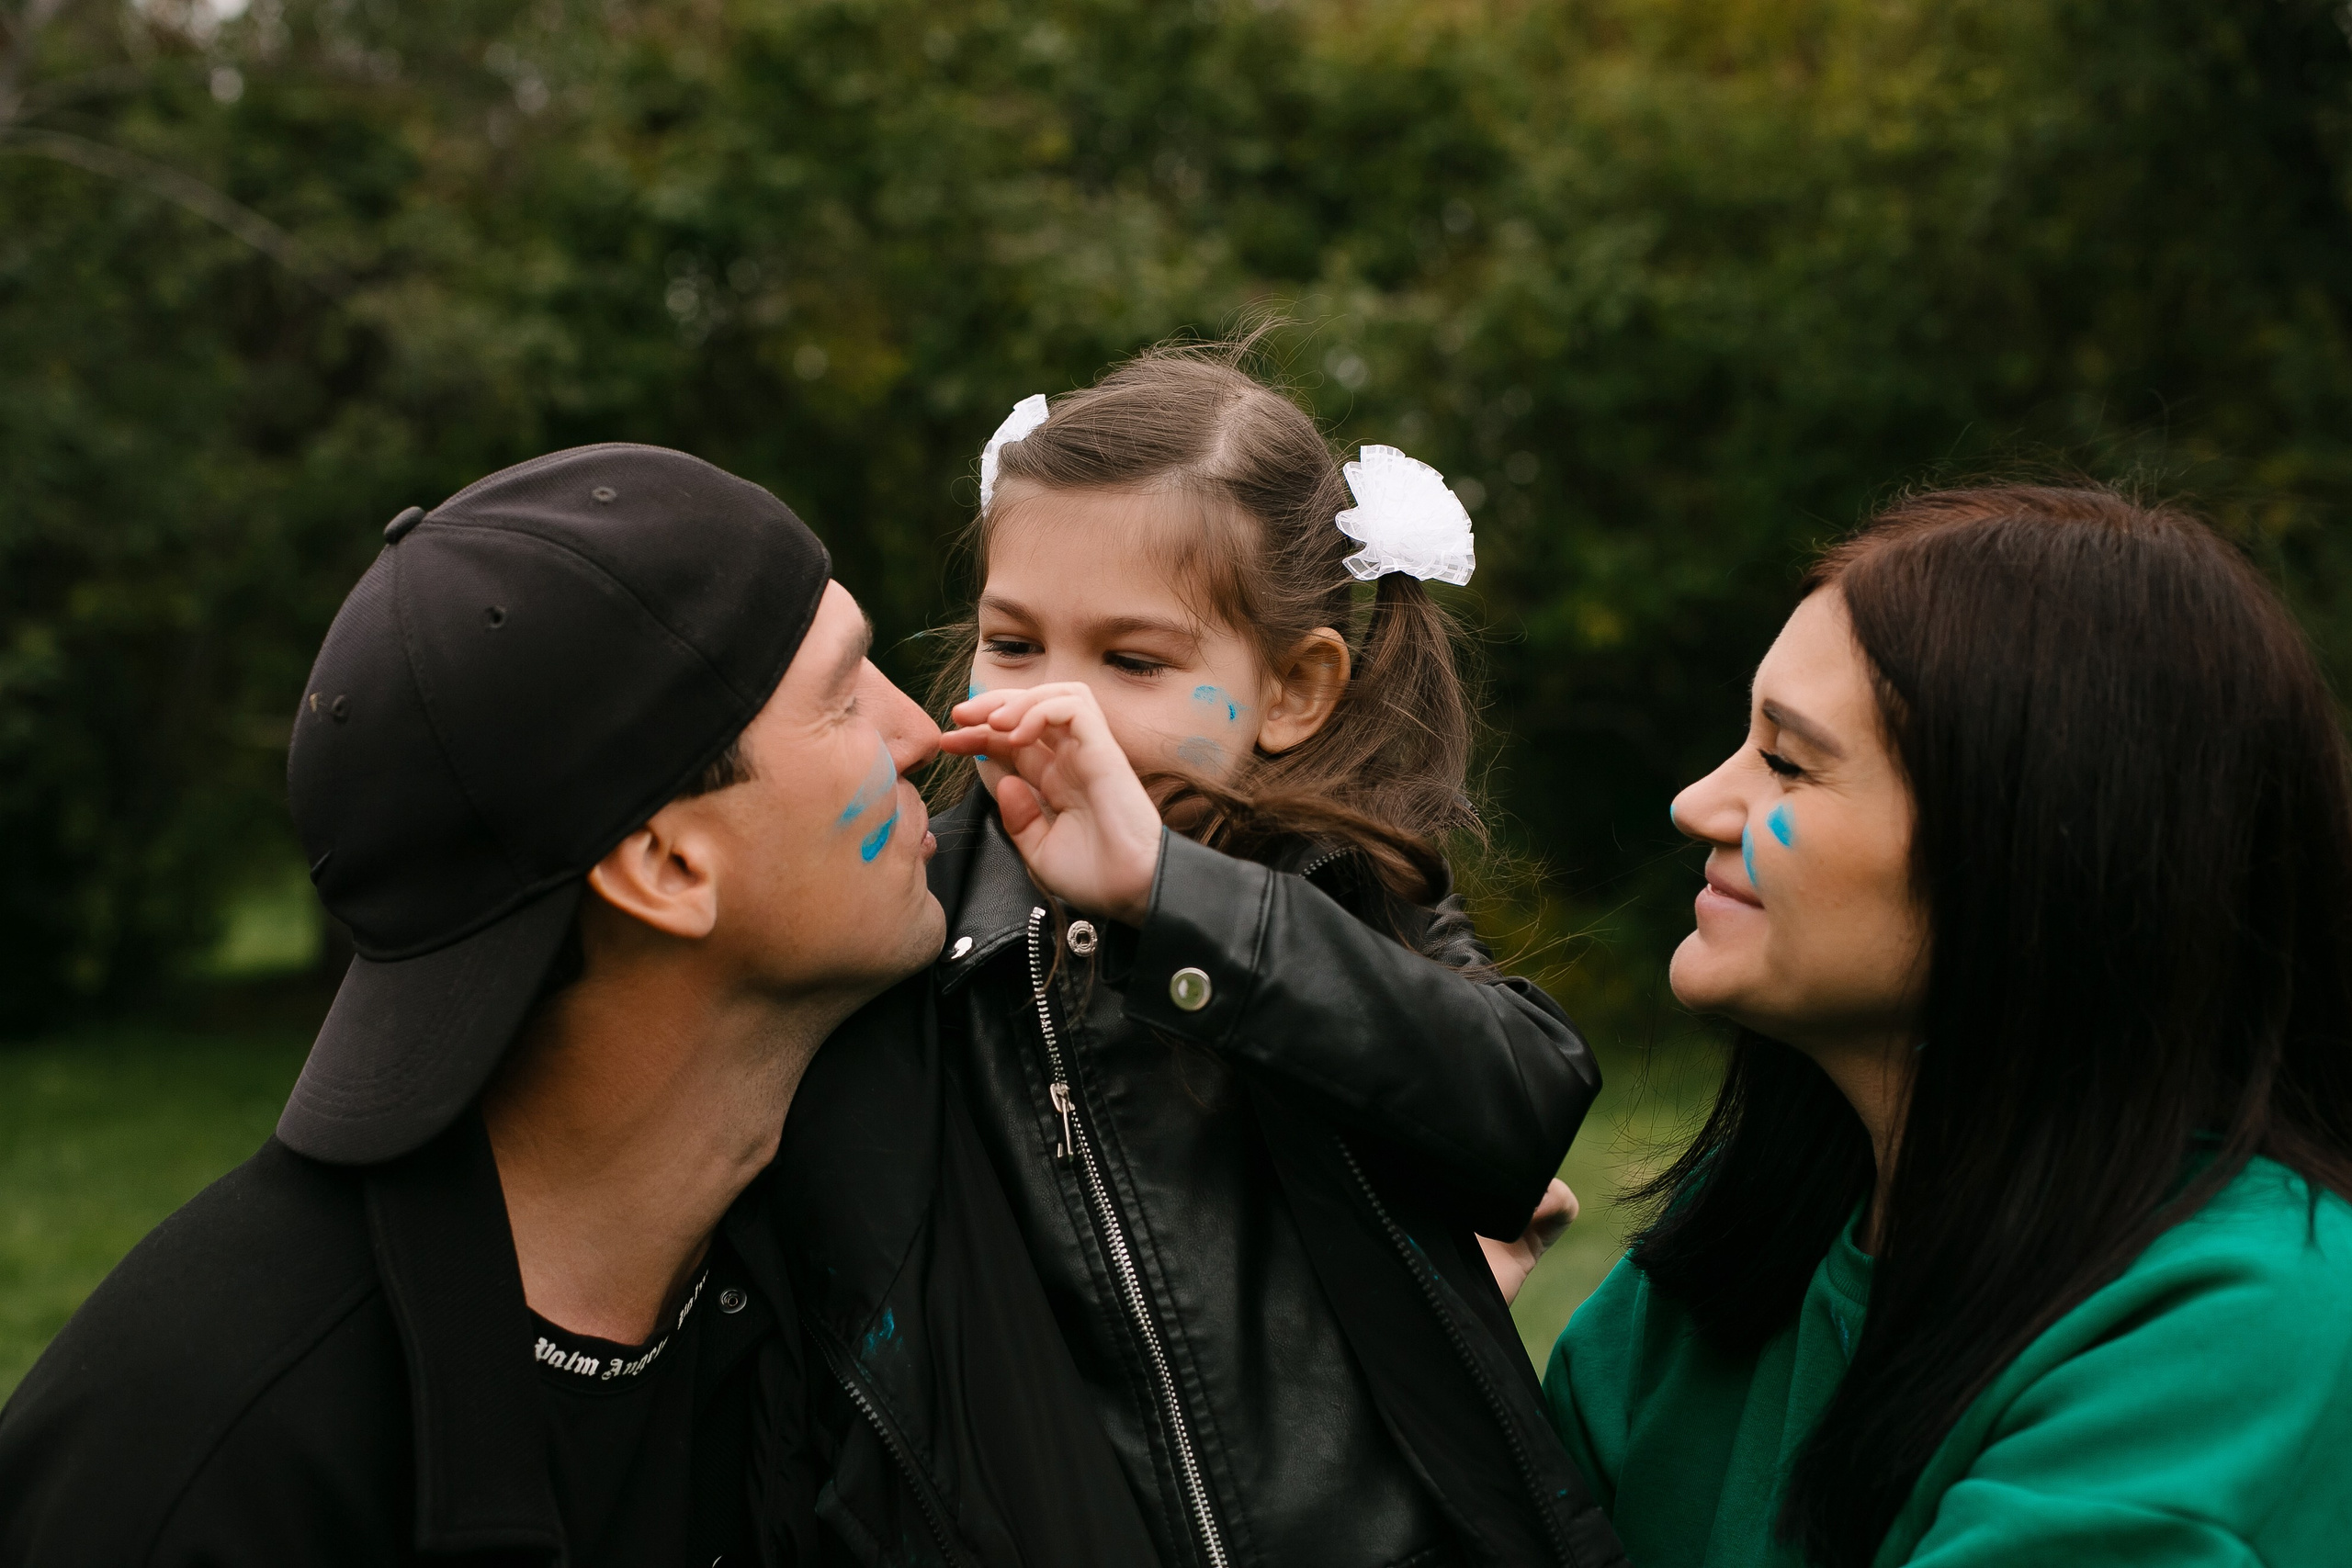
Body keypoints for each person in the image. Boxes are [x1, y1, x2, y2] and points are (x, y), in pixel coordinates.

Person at [0, 444, 953, 1565]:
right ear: (665, 868)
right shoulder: (202, 1462)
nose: (920, 734)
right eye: (844, 698)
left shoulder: (824, 1263)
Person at [770, 345, 1627, 1568]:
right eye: (1014, 644)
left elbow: (1525, 1099)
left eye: (1133, 661)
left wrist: (1177, 903)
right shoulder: (914, 923)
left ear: (1292, 690)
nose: (1053, 707)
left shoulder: (1329, 893)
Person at [1544, 485, 2352, 1567]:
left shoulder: (2243, 1324)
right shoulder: (1737, 1254)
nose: (1697, 802)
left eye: (1786, 762)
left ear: (2026, 854)